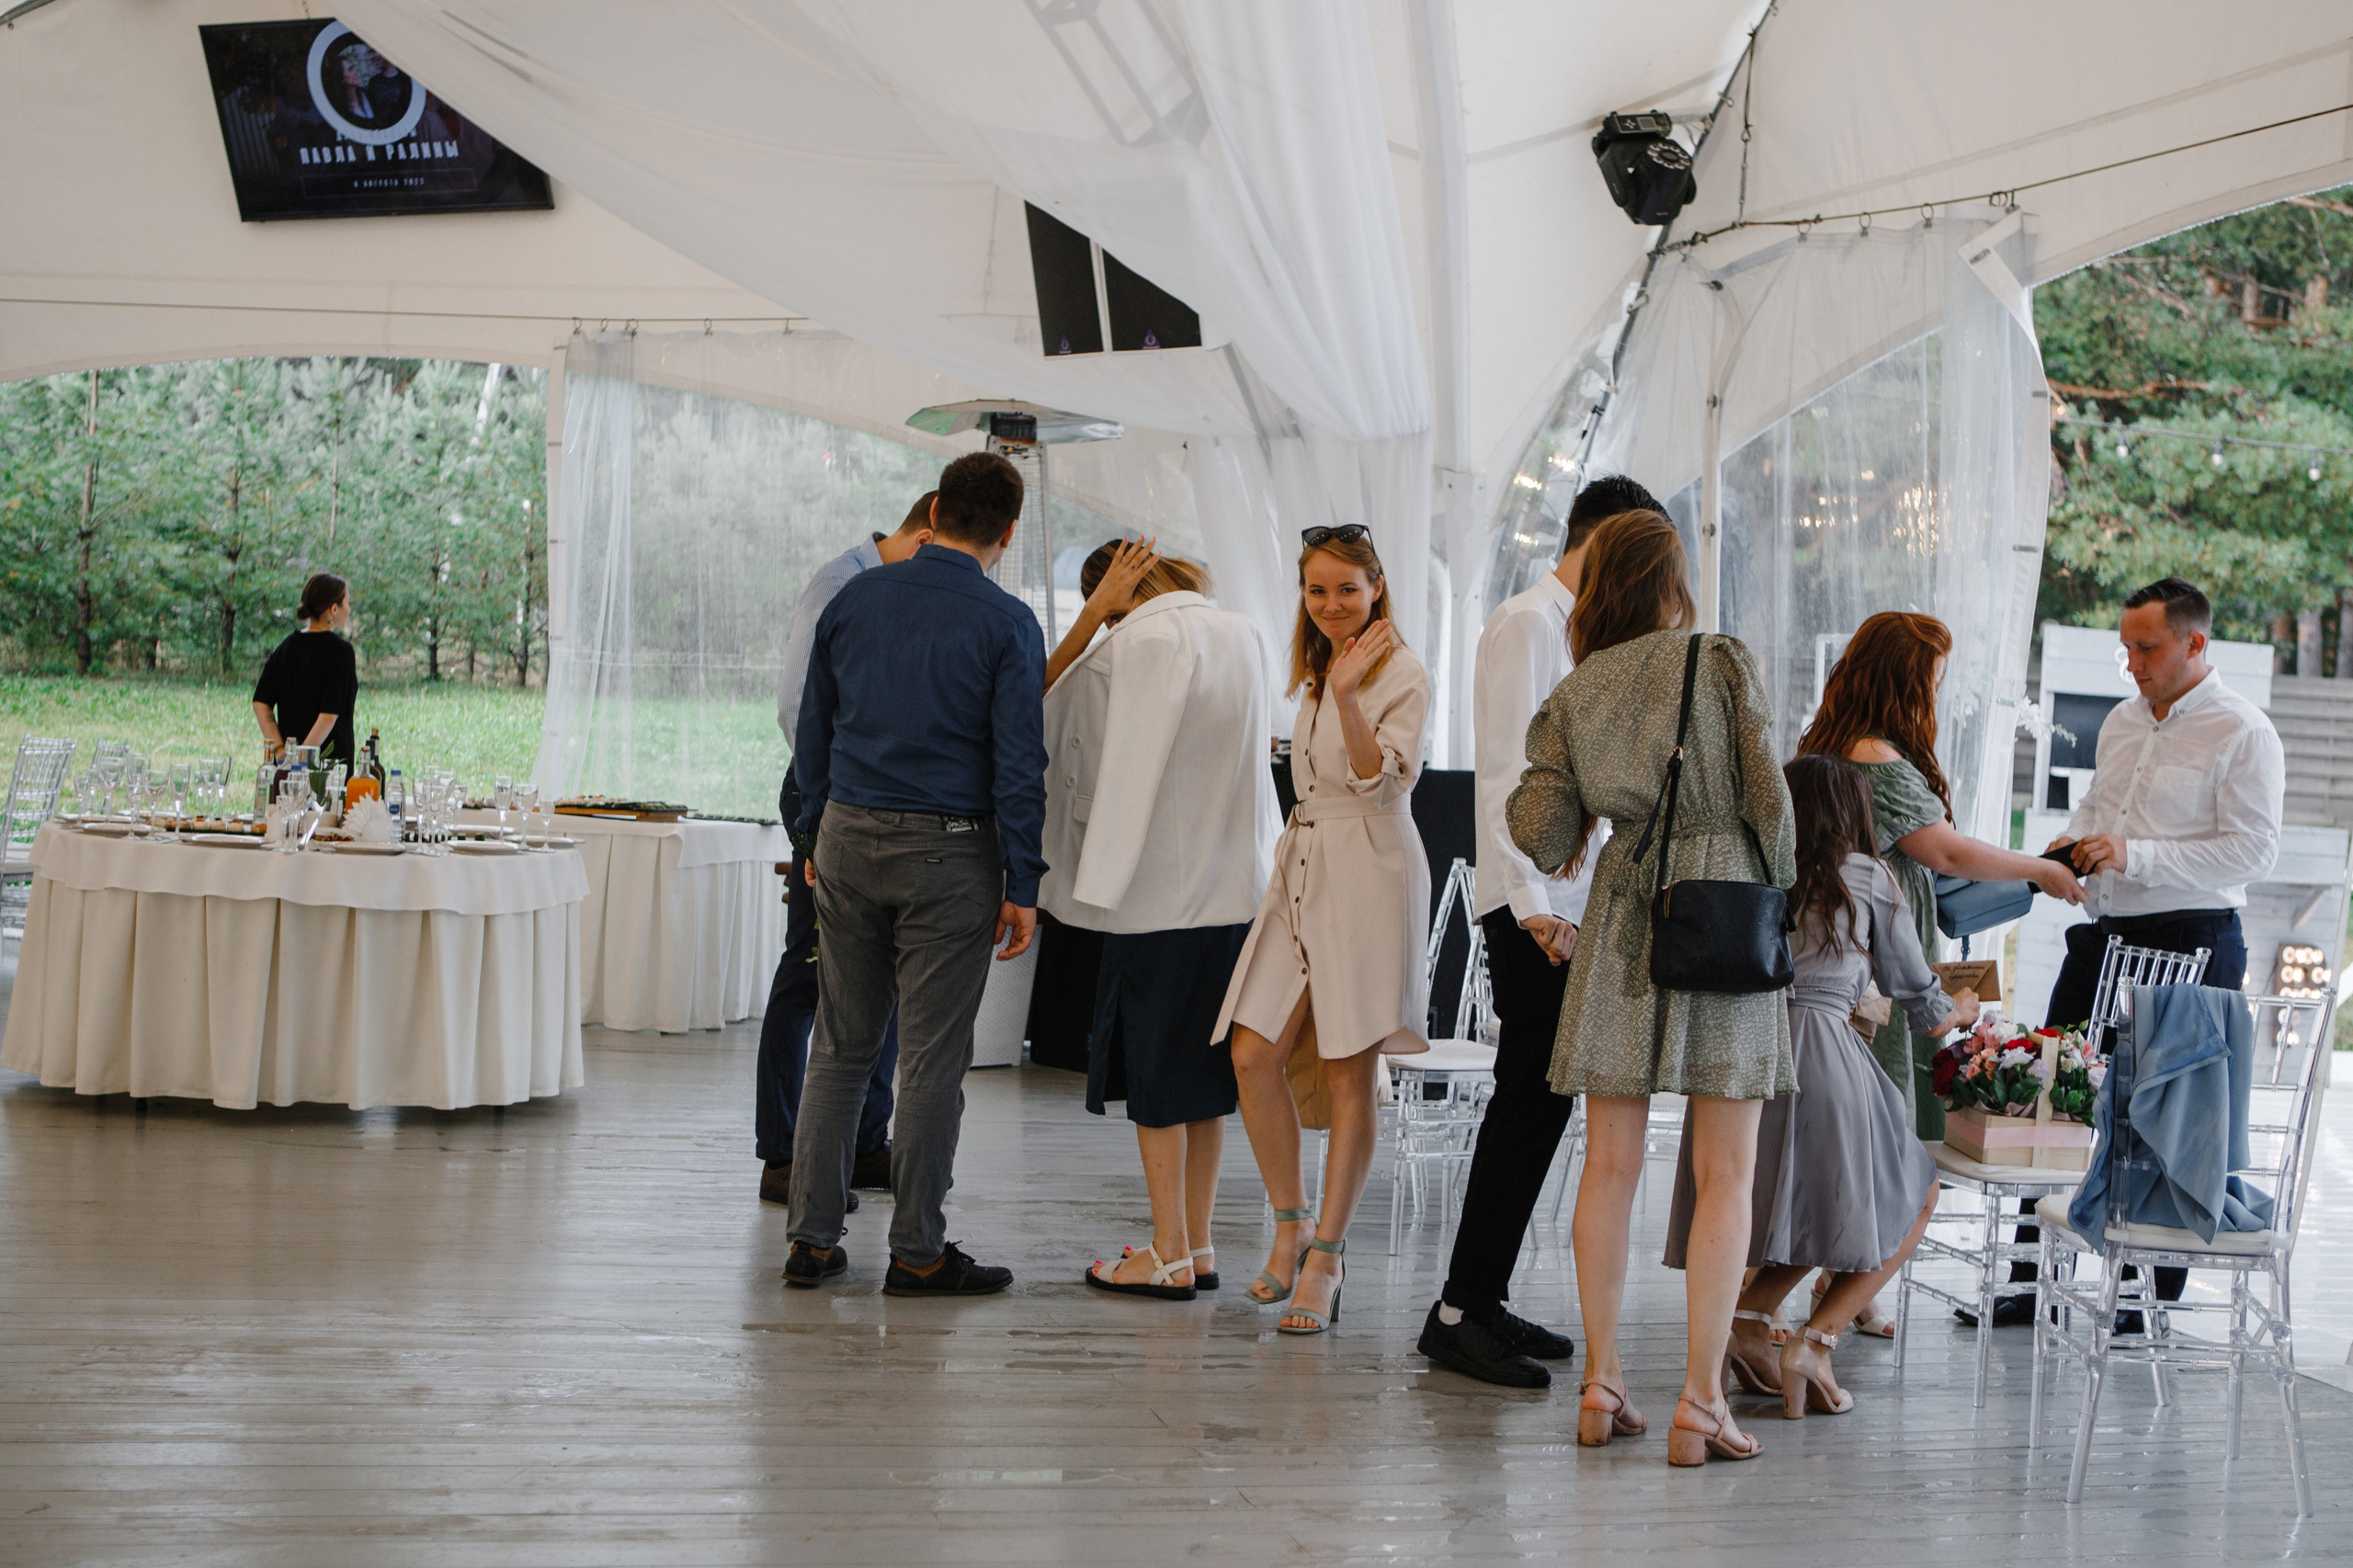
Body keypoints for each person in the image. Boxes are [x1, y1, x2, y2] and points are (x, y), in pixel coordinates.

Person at [1506, 508, 1793, 1466]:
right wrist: (1777, 881)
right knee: (1725, 1171)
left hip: (1625, 916)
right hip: (1720, 913)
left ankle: (1601, 1381)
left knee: (1608, 1165)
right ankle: (1701, 1400)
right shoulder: (1719, 661)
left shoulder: (1576, 688)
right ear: (1677, 580)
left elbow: (1541, 836)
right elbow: (1769, 800)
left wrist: (1578, 791)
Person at [1417, 473, 1663, 1388]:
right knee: (1527, 1102)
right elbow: (1507, 777)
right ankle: (1459, 1308)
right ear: (1605, 542)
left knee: (1541, 1105)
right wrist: (1530, 906)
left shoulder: (1581, 628)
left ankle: (1477, 1295)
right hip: (1536, 907)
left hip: (1569, 904)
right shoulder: (1530, 621)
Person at [782, 452, 1046, 1297]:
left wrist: (814, 833)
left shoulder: (854, 597)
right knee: (930, 1061)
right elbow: (1019, 766)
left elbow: (812, 734)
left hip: (848, 838)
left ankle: (812, 1242)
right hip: (950, 853)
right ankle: (918, 1251)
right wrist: (1025, 881)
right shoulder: (1007, 624)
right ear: (1007, 534)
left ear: (933, 510)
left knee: (839, 1049)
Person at [1670, 756, 1979, 1420]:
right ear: (1853, 814)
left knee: (1774, 1210)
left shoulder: (1758, 869)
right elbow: (1917, 995)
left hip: (1745, 1056)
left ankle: (1747, 1319)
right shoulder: (1866, 876)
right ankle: (1816, 1340)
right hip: (1825, 1054)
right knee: (1911, 1192)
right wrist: (1961, 1012)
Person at [1039, 540, 1277, 1301]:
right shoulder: (1243, 633)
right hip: (1235, 890)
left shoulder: (1131, 644)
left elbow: (1074, 741)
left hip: (1153, 898)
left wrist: (1086, 883)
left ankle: (1168, 1252)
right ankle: (1197, 1244)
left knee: (1154, 1082)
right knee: (1203, 1082)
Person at [2041, 575, 2282, 1312]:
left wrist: (2135, 854)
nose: (2133, 664)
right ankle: (2032, 1284)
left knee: (2170, 1122)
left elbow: (2254, 853)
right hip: (2104, 936)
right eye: (2126, 649)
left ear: (2194, 642)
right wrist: (2069, 843)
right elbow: (2095, 805)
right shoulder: (2119, 721)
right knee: (2052, 1094)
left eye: (2146, 648)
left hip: (2196, 941)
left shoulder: (2244, 731)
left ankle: (2150, 1305)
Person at [1213, 523, 1431, 1335]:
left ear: (1377, 586)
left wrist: (1348, 695)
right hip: (1301, 863)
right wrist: (1329, 685)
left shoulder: (1399, 671)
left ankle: (1329, 1258)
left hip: (1369, 868)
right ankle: (1291, 1223)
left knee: (1348, 1068)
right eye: (1317, 589)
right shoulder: (1310, 673)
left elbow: (1379, 785)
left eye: (1347, 587)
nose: (1332, 602)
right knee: (1252, 1049)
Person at [1799, 611, 2086, 1143]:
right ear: (1903, 684)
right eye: (1931, 682)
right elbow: (1948, 855)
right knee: (1888, 1126)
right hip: (1878, 952)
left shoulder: (1828, 741)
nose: (1934, 696)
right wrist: (2041, 870)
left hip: (1835, 947)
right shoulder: (1876, 758)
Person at [754, 492, 938, 1209]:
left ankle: (864, 1142)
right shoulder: (838, 585)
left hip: (872, 801)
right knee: (807, 978)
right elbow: (796, 704)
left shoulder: (895, 587)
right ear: (925, 536)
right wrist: (826, 812)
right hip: (826, 797)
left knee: (883, 979)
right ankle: (781, 1154)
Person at [252, 573, 359, 766]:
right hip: (329, 766)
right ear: (334, 609)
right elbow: (328, 716)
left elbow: (261, 702)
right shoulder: (341, 652)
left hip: (286, 762)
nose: (349, 610)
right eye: (348, 603)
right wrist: (301, 762)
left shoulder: (287, 646)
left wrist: (280, 750)